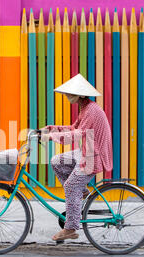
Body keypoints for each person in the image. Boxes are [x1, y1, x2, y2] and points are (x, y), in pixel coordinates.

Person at [40, 74, 113, 241]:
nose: (66, 96)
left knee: (71, 186)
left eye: (69, 93)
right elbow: (74, 127)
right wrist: (50, 129)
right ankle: (82, 193)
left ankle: (71, 228)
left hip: (93, 156)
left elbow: (77, 134)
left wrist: (51, 137)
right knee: (56, 161)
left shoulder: (92, 111)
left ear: (80, 95)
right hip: (86, 151)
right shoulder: (85, 108)